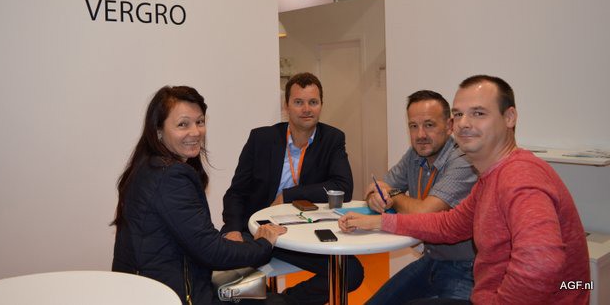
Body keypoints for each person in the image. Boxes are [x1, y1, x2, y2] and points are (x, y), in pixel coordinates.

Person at [340, 75, 591, 305]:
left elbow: (541, 262)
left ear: (510, 117)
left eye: (478, 113)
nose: (463, 124)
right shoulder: (491, 177)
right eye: (458, 114)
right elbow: (448, 225)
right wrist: (379, 222)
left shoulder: (520, 176)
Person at [111, 86, 288, 304]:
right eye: (183, 124)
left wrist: (230, 242)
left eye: (200, 122)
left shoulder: (148, 166)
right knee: (275, 300)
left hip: (152, 288)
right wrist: (263, 244)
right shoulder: (170, 176)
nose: (195, 132)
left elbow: (196, 239)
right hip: (174, 295)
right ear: (158, 130)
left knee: (262, 291)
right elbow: (212, 252)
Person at [221, 72, 364, 305]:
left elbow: (343, 187)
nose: (306, 109)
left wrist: (289, 195)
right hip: (256, 230)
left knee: (351, 273)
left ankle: (286, 301)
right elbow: (236, 192)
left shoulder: (332, 139)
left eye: (313, 102)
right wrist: (233, 230)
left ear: (321, 105)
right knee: (230, 286)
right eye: (298, 102)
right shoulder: (261, 138)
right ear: (286, 106)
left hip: (303, 234)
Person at [366, 90, 477, 304]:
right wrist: (374, 196)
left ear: (449, 125)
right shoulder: (415, 153)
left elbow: (425, 212)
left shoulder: (463, 159)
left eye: (429, 125)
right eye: (413, 126)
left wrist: (393, 195)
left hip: (465, 268)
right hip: (431, 259)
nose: (420, 135)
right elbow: (376, 186)